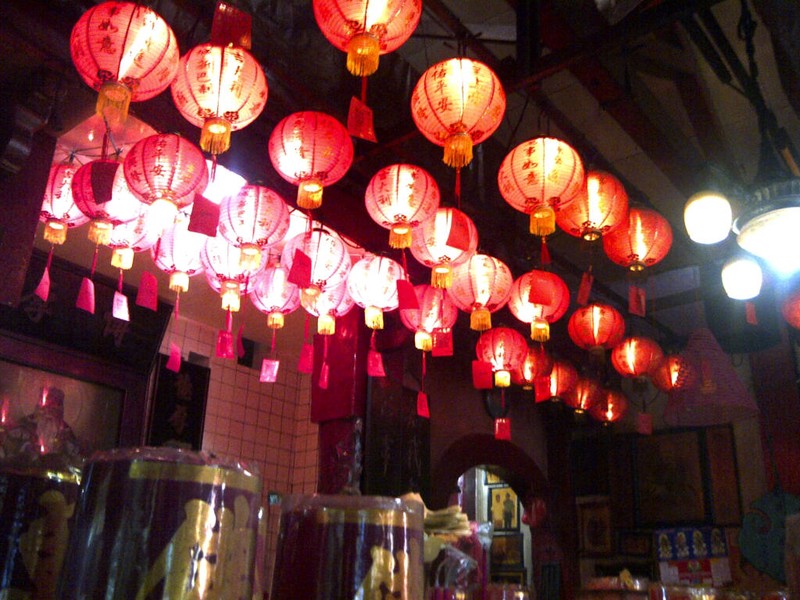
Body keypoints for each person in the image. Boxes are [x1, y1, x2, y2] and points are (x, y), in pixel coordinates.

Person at [1, 387, 81, 461]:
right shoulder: (24, 425)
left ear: (61, 410)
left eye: (55, 407)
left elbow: (76, 457)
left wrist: (61, 448)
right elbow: (8, 446)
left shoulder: (66, 433)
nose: (49, 411)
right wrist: (27, 448)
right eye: (47, 406)